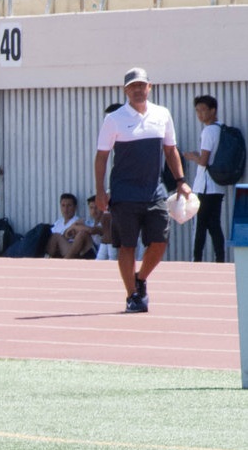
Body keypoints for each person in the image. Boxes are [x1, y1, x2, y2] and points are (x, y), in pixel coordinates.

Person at [93, 68, 185, 313]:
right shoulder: (114, 119)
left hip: (154, 192)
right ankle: (132, 295)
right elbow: (101, 157)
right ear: (125, 90)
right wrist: (100, 192)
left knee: (159, 242)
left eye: (141, 85)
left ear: (149, 87)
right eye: (132, 86)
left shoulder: (162, 114)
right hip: (124, 194)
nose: (137, 90)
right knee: (127, 246)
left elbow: (171, 150)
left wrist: (181, 180)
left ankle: (140, 279)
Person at [191, 94, 228, 264]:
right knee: (214, 224)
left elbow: (204, 161)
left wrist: (192, 156)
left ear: (213, 110)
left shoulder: (208, 131)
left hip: (205, 185)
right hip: (218, 185)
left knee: (201, 224)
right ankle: (220, 258)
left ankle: (197, 259)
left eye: (203, 110)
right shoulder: (222, 128)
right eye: (197, 110)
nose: (200, 114)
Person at [47, 193, 96, 259]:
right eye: (63, 206)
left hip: (72, 249)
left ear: (75, 207)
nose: (65, 209)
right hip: (59, 250)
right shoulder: (58, 222)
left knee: (56, 236)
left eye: (69, 205)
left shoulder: (77, 221)